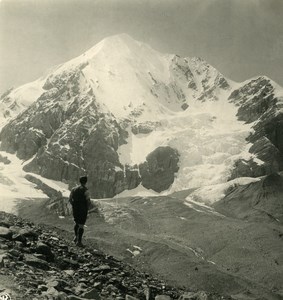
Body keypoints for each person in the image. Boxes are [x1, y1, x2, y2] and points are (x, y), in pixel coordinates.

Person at [69, 176, 91, 247]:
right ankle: (79, 241)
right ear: (86, 182)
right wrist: (87, 209)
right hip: (83, 209)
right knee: (81, 225)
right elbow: (88, 201)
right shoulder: (86, 190)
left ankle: (75, 237)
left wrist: (74, 205)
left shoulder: (73, 189)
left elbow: (70, 199)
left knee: (76, 223)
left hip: (75, 209)